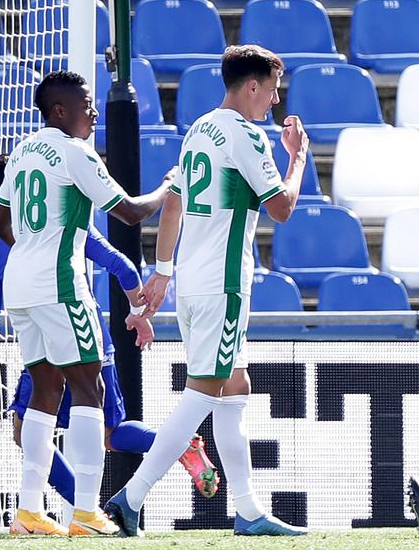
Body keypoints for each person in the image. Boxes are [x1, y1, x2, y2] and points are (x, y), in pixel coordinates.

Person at [107, 45, 310, 537]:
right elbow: (281, 208)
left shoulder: (199, 128)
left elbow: (172, 205)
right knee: (204, 390)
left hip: (195, 281)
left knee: (234, 388)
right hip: (223, 284)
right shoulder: (246, 134)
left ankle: (248, 510)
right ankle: (130, 497)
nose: (276, 99)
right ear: (253, 86)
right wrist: (298, 157)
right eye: (274, 88)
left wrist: (161, 271)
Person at [0, 156, 219, 520]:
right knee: (110, 431)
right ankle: (178, 445)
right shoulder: (66, 222)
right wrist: (138, 312)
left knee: (27, 428)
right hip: (91, 332)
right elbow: (121, 264)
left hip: (49, 338)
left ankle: (82, 508)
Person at [0, 69, 170, 536]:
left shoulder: (22, 151)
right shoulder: (75, 152)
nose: (93, 111)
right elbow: (130, 213)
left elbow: (1, 224)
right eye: (85, 103)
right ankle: (87, 512)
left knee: (45, 390)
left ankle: (30, 511)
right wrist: (167, 188)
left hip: (21, 285)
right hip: (59, 284)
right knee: (87, 387)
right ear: (60, 110)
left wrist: (38, 241)